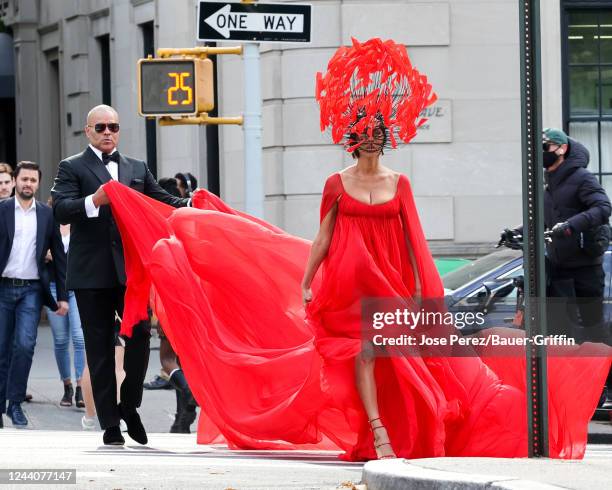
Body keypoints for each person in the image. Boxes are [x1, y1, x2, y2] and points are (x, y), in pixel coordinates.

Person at [98, 39, 611, 461]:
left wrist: (417, 286)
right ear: (353, 141)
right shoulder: (336, 183)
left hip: (389, 280)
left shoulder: (400, 183)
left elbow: (413, 238)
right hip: (346, 281)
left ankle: (402, 427)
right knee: (364, 352)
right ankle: (378, 431)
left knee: (395, 356)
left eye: (377, 136)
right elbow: (323, 235)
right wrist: (307, 278)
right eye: (365, 136)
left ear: (384, 141)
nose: (372, 142)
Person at [51, 104, 190, 446]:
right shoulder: (72, 167)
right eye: (100, 127)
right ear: (88, 131)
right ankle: (110, 423)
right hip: (90, 273)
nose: (107, 132)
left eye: (113, 126)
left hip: (131, 273)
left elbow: (161, 199)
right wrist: (93, 201)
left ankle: (130, 406)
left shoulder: (135, 167)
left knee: (141, 337)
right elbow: (61, 208)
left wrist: (192, 205)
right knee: (98, 349)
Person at [0, 161, 68, 428]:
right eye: (24, 179)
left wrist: (62, 295)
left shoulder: (46, 214)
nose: (28, 184)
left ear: (38, 184)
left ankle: (15, 404)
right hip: (3, 287)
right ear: (15, 181)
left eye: (33, 180)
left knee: (26, 345)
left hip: (31, 290)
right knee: (2, 349)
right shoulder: (3, 210)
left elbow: (59, 257)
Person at [43, 198, 86, 408]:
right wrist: (44, 253)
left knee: (79, 337)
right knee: (60, 340)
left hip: (77, 287)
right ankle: (67, 386)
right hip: (53, 286)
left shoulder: (80, 223)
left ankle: (80, 387)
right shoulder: (47, 224)